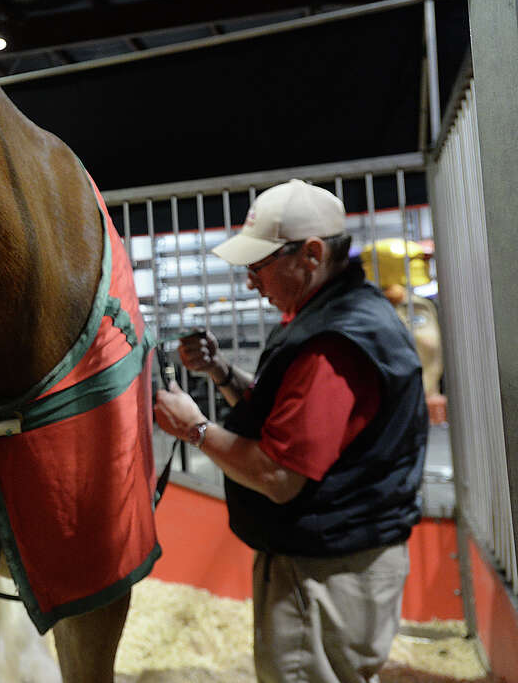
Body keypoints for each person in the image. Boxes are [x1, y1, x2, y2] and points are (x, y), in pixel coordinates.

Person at [153, 178, 429, 683]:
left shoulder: (335, 344)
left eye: (258, 266)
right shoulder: (335, 316)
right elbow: (285, 414)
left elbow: (279, 475)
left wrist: (193, 428)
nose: (250, 282)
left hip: (327, 574)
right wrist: (222, 374)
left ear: (311, 254)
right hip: (332, 562)